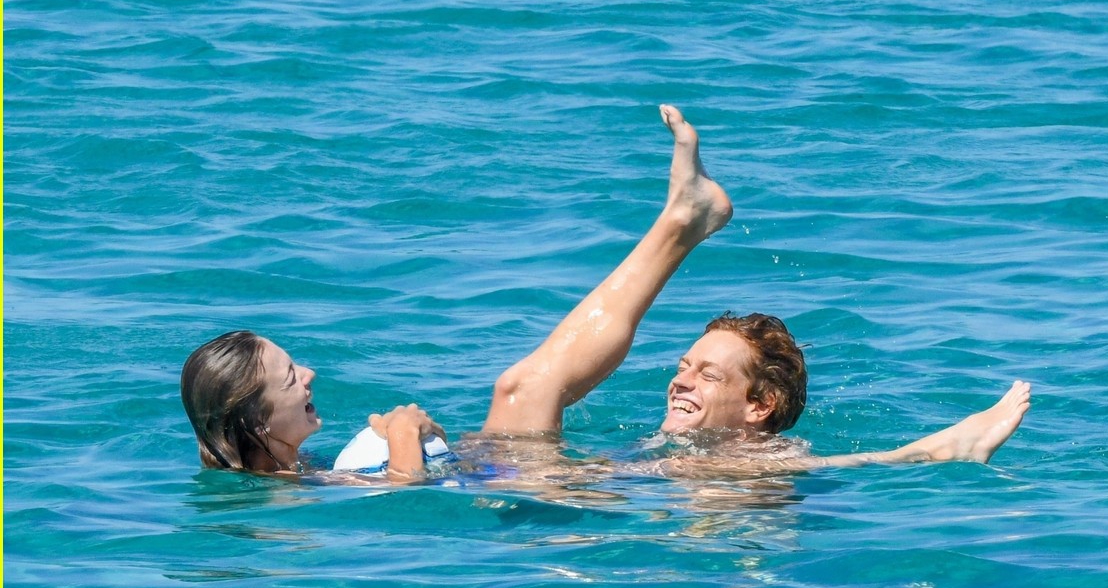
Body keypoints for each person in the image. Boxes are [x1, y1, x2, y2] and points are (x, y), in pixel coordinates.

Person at [181, 105, 1029, 483]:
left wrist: (425, 443)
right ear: (253, 419)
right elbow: (399, 504)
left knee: (521, 386)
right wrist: (406, 437)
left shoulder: (274, 473)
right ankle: (684, 220)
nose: (309, 374)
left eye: (707, 371)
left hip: (520, 483)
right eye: (288, 376)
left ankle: (685, 219)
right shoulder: (280, 490)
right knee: (523, 387)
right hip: (525, 493)